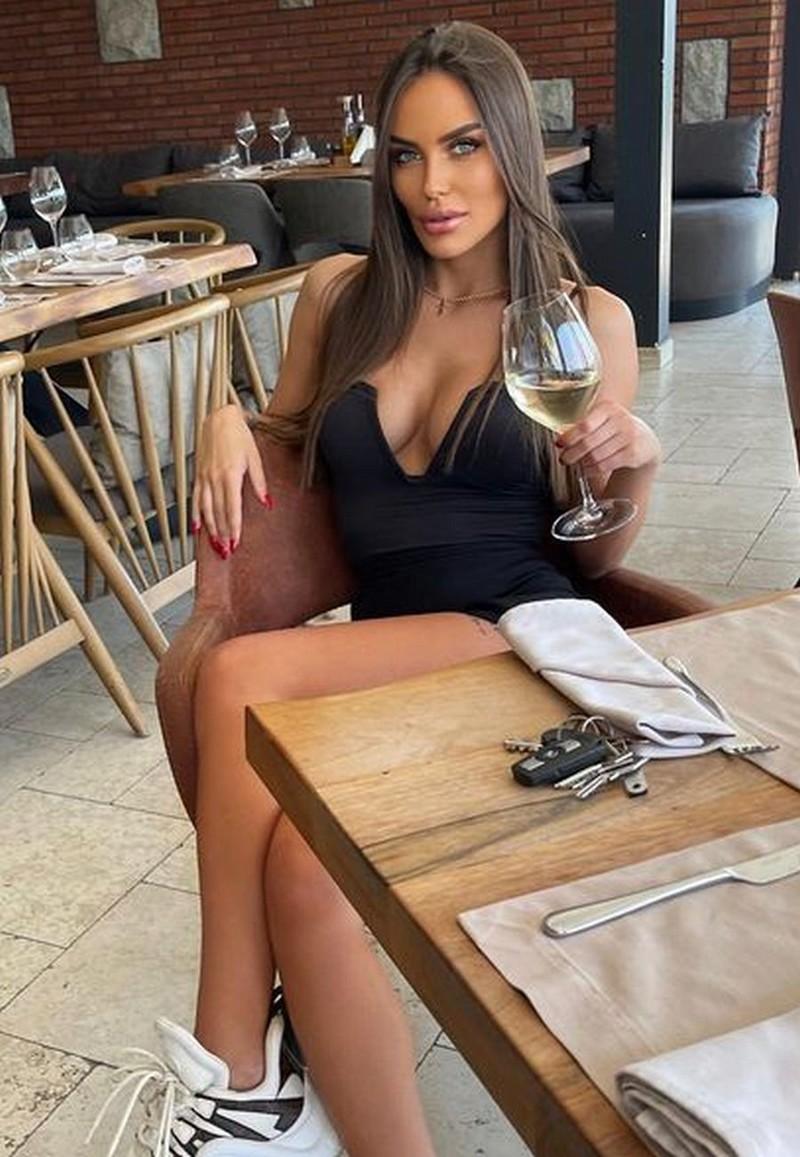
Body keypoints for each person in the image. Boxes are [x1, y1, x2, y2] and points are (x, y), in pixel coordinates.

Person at [102, 20, 661, 1157]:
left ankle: (234, 1071)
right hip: (389, 670)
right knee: (300, 870)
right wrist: (224, 416)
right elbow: (287, 444)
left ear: (510, 149)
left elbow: (597, 559)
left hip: (516, 642)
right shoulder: (341, 295)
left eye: (462, 147)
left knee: (237, 675)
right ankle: (307, 1124)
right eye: (405, 154)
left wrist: (633, 466)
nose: (432, 185)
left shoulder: (582, 317)